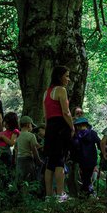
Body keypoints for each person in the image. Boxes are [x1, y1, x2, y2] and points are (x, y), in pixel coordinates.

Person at [43, 65, 75, 201]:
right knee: (60, 160)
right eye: (66, 76)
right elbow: (66, 112)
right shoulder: (61, 90)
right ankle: (60, 194)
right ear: (59, 76)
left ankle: (48, 195)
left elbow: (45, 115)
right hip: (61, 127)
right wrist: (72, 127)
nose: (68, 79)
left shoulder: (46, 92)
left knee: (50, 162)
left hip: (50, 127)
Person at [71, 117, 102, 196]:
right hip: (92, 160)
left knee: (84, 177)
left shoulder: (76, 136)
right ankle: (88, 192)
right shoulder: (93, 133)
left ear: (77, 126)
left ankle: (86, 192)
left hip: (81, 161)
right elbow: (99, 143)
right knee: (88, 177)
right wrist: (103, 152)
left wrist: (73, 158)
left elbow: (74, 148)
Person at [16, 115, 42, 185]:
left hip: (19, 159)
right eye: (31, 125)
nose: (32, 127)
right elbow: (34, 149)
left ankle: (21, 194)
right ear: (28, 125)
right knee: (30, 179)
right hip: (28, 160)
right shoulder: (31, 135)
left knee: (21, 179)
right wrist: (38, 160)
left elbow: (16, 149)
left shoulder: (17, 135)